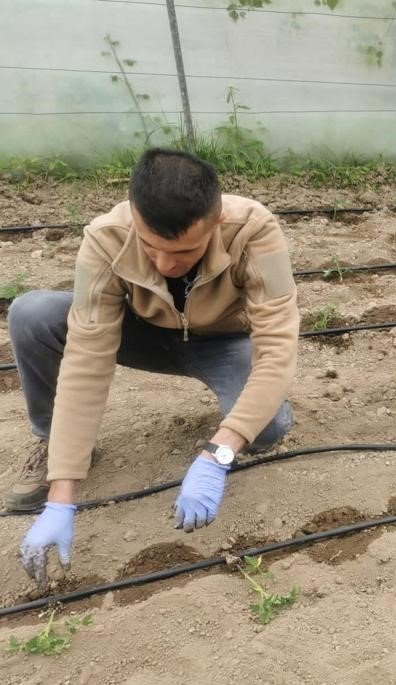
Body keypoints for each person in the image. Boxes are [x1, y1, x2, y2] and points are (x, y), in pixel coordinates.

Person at [5, 148, 299, 589]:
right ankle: (50, 442)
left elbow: (278, 348)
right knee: (34, 313)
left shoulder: (253, 229)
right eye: (151, 248)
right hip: (141, 332)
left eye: (184, 251)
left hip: (222, 341)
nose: (165, 264)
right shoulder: (106, 237)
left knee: (269, 426)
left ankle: (235, 431)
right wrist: (61, 496)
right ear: (135, 215)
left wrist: (218, 452)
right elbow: (87, 360)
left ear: (216, 221)